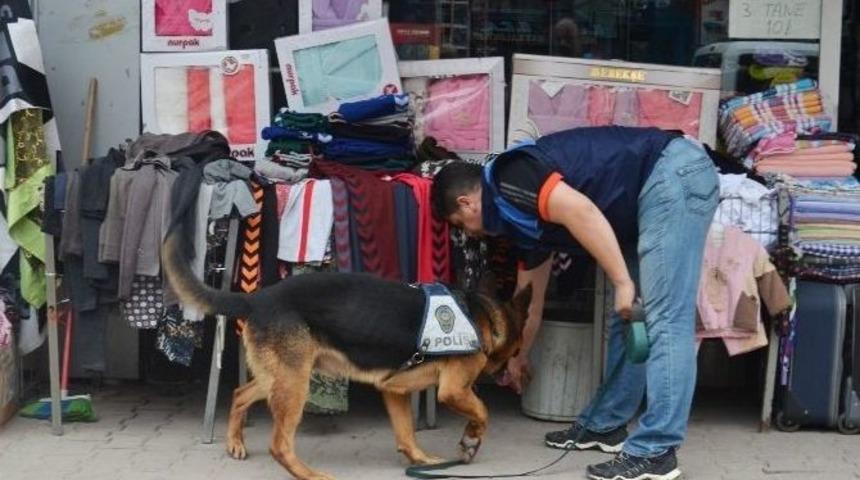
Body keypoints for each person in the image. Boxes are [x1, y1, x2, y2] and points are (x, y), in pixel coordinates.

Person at [430, 126, 718, 480]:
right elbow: (528, 301)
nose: (469, 233)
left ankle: (656, 452)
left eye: (461, 224)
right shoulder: (516, 217)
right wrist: (518, 357)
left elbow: (582, 212)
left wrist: (623, 282)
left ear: (467, 203)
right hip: (642, 198)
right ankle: (607, 425)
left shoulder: (508, 177)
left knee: (665, 320)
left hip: (671, 173)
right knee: (631, 318)